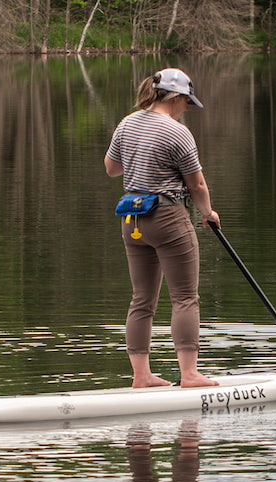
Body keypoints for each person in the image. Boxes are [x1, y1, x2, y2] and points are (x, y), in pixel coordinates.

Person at [104, 67, 220, 388]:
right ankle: (189, 374)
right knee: (185, 297)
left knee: (142, 299)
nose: (186, 109)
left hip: (132, 220)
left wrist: (141, 158)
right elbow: (196, 184)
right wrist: (208, 213)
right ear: (175, 97)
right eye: (186, 102)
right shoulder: (177, 132)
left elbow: (112, 169)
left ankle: (141, 376)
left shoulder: (127, 123)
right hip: (168, 218)